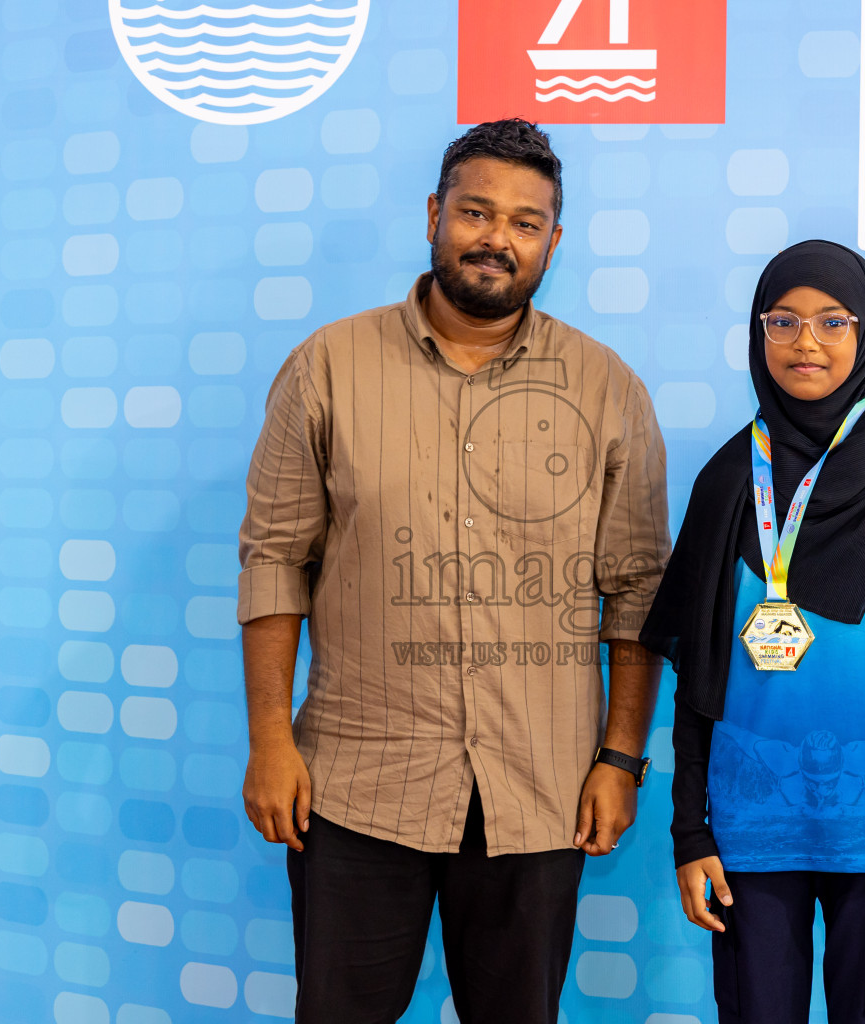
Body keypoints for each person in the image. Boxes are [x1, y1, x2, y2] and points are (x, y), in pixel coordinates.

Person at [236, 119, 670, 1024]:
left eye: (524, 222)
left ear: (554, 242)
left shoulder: (606, 388)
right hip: (355, 786)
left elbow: (636, 589)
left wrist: (621, 758)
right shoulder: (328, 367)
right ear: (435, 215)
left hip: (540, 791)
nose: (495, 238)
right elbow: (276, 559)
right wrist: (271, 742)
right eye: (476, 211)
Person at [639, 240, 865, 1023]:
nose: (806, 343)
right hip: (749, 830)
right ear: (758, 336)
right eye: (782, 321)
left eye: (832, 321)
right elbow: (698, 672)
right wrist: (691, 832)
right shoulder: (726, 480)